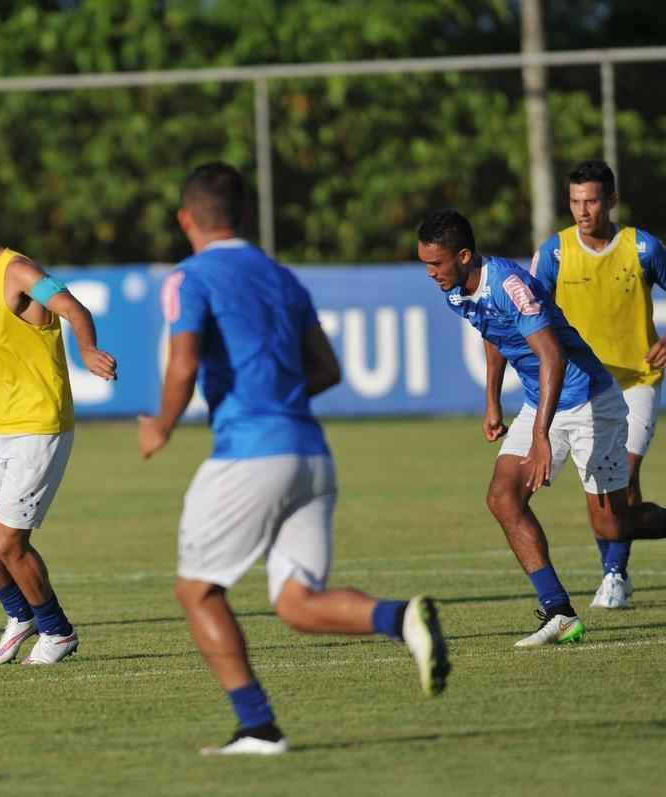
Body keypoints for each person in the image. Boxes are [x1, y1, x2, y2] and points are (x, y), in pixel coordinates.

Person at [138, 163, 449, 757]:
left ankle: (258, 726)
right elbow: (327, 369)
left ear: (185, 219)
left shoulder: (188, 277)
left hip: (250, 456)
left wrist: (161, 425)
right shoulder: (280, 275)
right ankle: (400, 618)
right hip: (311, 454)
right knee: (297, 604)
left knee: (197, 591)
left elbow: (182, 362)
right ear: (244, 215)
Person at [419, 208, 666, 649]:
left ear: (463, 256)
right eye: (425, 264)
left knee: (613, 526)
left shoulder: (510, 284)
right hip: (542, 403)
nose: (430, 273)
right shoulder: (457, 293)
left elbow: (552, 355)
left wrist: (539, 438)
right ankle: (560, 613)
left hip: (591, 402)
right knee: (503, 497)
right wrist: (492, 401)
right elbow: (494, 334)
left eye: (436, 263)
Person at [0, 187, 117, 666]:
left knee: (9, 542)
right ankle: (20, 614)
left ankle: (57, 631)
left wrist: (87, 349)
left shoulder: (19, 271)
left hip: (37, 427)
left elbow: (73, 308)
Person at [528, 160, 666, 609]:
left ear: (611, 201)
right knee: (603, 491)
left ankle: (613, 574)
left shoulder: (643, 248)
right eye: (575, 202)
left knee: (624, 476)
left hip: (635, 381)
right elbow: (529, 309)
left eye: (591, 201)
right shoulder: (554, 253)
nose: (582, 211)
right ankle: (616, 572)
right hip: (584, 387)